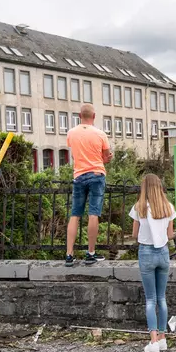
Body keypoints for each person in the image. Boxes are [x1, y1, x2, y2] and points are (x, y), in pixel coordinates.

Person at [129, 174, 176, 352]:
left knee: (150, 299)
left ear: (145, 188)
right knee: (162, 298)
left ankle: (153, 341)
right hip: (163, 252)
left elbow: (134, 234)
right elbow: (170, 235)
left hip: (146, 252)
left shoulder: (139, 207)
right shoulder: (168, 207)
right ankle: (163, 338)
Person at [65, 103, 111, 266]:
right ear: (94, 116)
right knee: (93, 213)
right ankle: (90, 253)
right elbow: (106, 157)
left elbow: (74, 153)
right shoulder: (100, 134)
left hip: (78, 175)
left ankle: (69, 254)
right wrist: (107, 157)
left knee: (75, 214)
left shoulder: (71, 133)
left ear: (79, 116)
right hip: (96, 175)